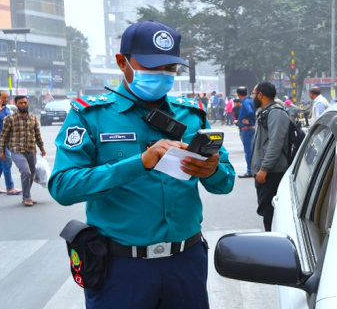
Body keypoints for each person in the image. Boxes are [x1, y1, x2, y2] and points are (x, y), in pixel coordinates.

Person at [49, 21, 235, 309]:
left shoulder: (192, 114)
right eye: (151, 67)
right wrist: (141, 163)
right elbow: (63, 186)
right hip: (121, 270)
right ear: (122, 62)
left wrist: (213, 171)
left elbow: (226, 182)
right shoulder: (91, 115)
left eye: (170, 69)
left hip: (186, 263)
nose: (162, 75)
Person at [251, 82, 290, 231]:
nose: (252, 97)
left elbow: (275, 143)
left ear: (260, 95)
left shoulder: (276, 112)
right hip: (266, 172)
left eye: (253, 94)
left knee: (270, 214)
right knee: (266, 212)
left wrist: (264, 168)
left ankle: (274, 245)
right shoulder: (265, 112)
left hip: (273, 173)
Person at [0, 96, 46, 207]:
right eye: (21, 103)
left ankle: (26, 195)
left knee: (32, 173)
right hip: (17, 150)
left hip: (31, 150)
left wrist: (42, 148)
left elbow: (38, 135)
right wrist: (2, 151)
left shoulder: (33, 118)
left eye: (25, 102)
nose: (23, 105)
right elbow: (3, 136)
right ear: (16, 104)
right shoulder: (9, 119)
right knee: (26, 172)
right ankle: (27, 197)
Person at [236, 86, 256, 178]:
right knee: (252, 150)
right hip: (252, 128)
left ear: (238, 94)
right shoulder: (251, 101)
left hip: (247, 129)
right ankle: (253, 169)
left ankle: (249, 170)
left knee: (248, 150)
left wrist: (247, 120)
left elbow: (250, 112)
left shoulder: (245, 103)